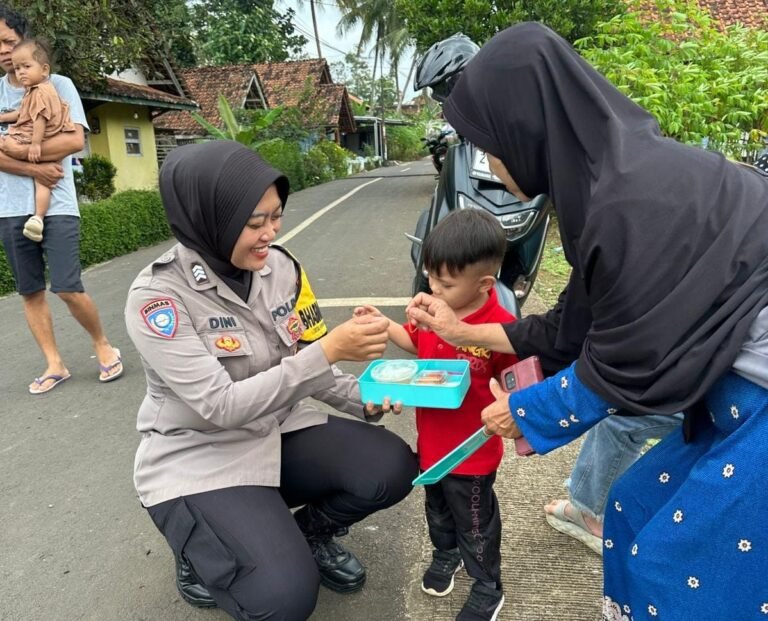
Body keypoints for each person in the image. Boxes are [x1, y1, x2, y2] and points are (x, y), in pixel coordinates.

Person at [406, 23, 768, 619]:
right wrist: (463, 331)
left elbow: (626, 361)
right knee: (626, 506)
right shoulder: (609, 187)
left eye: (492, 146)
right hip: (732, 389)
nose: (493, 168)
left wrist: (522, 410)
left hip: (757, 400)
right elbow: (573, 329)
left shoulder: (628, 203)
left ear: (527, 128)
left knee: (672, 576)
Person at [125, 140, 418, 620]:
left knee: (391, 466)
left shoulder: (282, 267)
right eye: (255, 222)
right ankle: (197, 549)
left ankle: (308, 535)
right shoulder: (157, 299)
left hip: (276, 429)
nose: (271, 232)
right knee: (284, 600)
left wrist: (365, 396)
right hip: (201, 453)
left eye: (276, 216)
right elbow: (221, 407)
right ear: (207, 217)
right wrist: (329, 350)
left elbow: (304, 358)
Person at [357, 208, 518, 621]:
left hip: (473, 453)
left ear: (484, 284)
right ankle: (447, 554)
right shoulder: (434, 312)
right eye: (429, 277)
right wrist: (383, 324)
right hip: (432, 445)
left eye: (444, 283)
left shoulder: (500, 328)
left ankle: (487, 584)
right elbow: (415, 344)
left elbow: (518, 381)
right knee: (438, 509)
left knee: (476, 522)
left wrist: (515, 409)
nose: (433, 288)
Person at [0, 6, 122, 394]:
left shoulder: (59, 85)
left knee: (68, 285)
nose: (3, 51)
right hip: (8, 207)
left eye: (7, 41)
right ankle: (54, 364)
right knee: (30, 290)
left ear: (24, 40)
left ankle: (102, 344)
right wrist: (35, 167)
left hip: (58, 205)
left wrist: (15, 152)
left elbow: (74, 140)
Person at [0, 38, 75, 242]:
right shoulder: (37, 90)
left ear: (44, 69)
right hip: (47, 141)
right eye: (17, 68)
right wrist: (4, 117)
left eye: (26, 66)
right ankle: (38, 217)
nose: (21, 72)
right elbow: (22, 113)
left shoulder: (40, 91)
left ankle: (38, 217)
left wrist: (33, 144)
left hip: (36, 138)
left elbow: (38, 118)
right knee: (43, 182)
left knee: (4, 144)